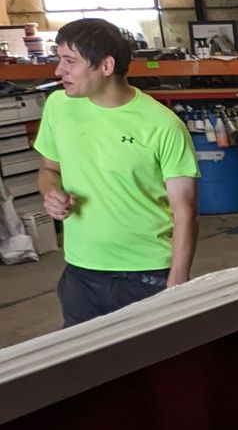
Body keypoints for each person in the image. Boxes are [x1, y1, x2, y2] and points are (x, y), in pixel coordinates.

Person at [33, 18, 199, 327]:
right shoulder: (58, 106)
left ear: (106, 66)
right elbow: (48, 169)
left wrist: (178, 280)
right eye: (59, 59)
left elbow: (185, 211)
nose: (58, 71)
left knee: (153, 367)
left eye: (70, 61)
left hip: (147, 274)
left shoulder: (161, 125)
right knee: (87, 371)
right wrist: (50, 192)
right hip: (81, 273)